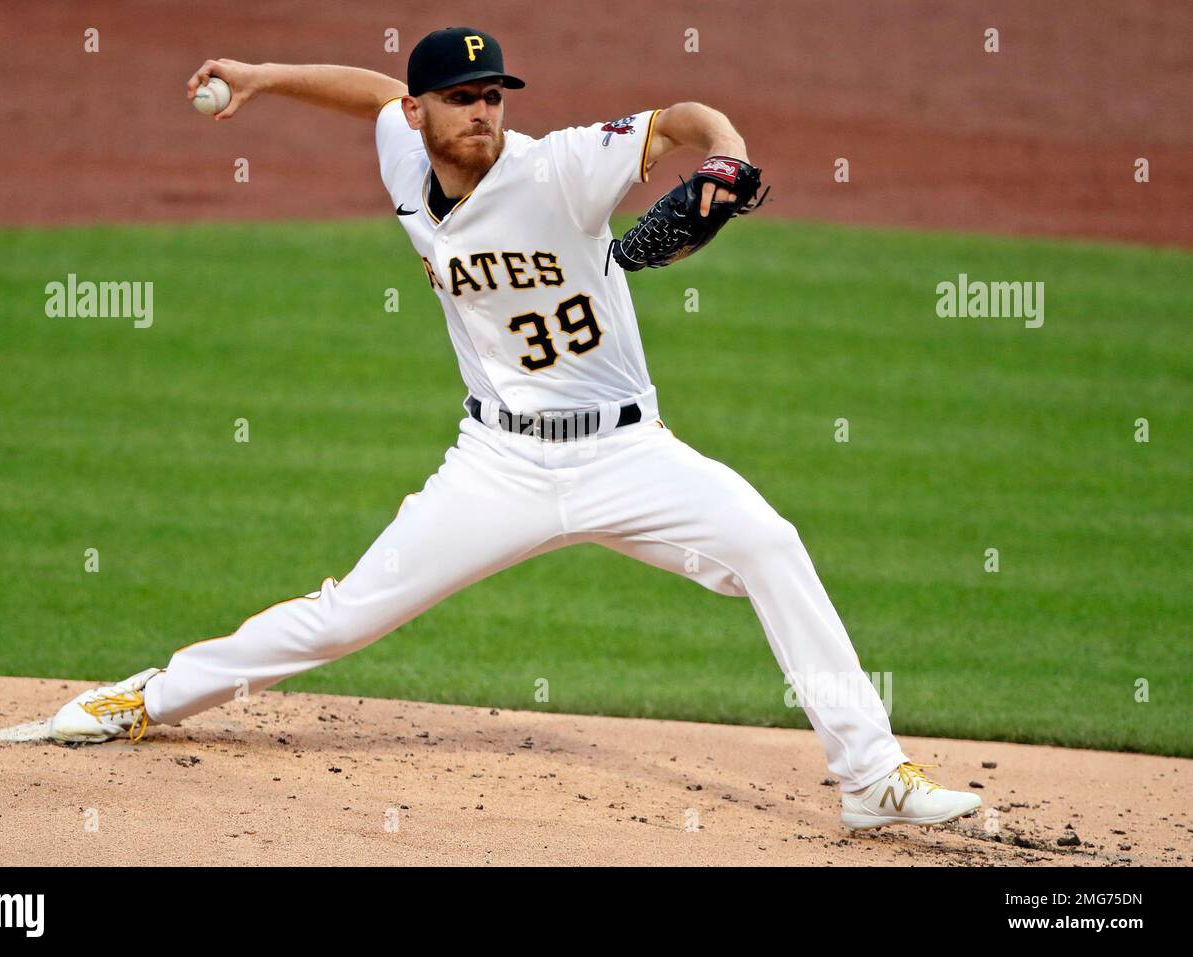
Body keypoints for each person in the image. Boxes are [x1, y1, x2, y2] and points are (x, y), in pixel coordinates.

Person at [51, 27, 981, 832]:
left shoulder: (564, 166)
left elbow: (685, 117)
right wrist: (260, 74)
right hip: (496, 464)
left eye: (493, 95)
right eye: (461, 98)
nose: (483, 111)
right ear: (424, 115)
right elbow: (373, 93)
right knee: (346, 616)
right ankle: (148, 696)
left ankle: (871, 777)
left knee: (770, 546)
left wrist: (726, 155)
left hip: (628, 452)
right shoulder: (404, 157)